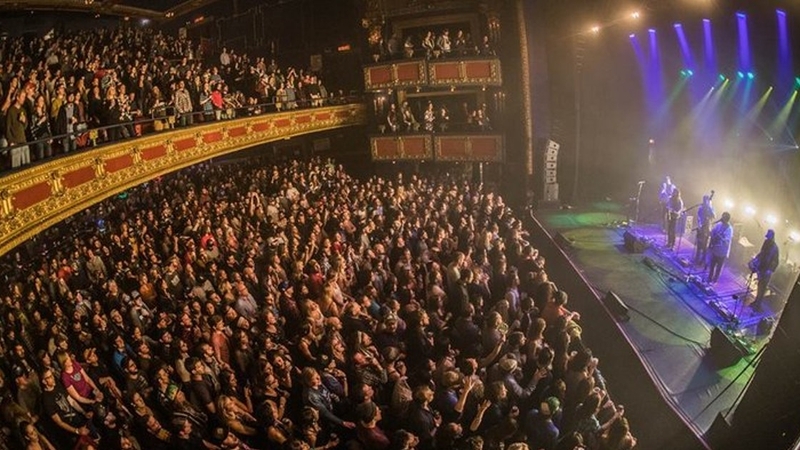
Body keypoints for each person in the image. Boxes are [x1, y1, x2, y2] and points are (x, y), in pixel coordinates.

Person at [751, 229, 780, 311]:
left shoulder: (775, 248)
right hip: (762, 267)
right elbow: (762, 252)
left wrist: (770, 270)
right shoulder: (766, 242)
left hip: (767, 270)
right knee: (759, 285)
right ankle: (756, 301)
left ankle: (758, 305)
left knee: (763, 287)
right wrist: (756, 259)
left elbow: (776, 261)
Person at [707, 212, 733, 284]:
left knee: (718, 268)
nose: (722, 218)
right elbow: (713, 232)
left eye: (723, 217)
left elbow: (727, 241)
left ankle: (715, 280)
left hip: (722, 251)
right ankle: (709, 278)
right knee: (712, 265)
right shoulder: (719, 224)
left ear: (726, 219)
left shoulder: (729, 229)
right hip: (715, 249)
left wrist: (720, 237)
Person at [694, 194, 715, 266]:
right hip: (701, 227)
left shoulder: (711, 208)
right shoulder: (701, 207)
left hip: (707, 229)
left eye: (706, 200)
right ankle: (697, 258)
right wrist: (699, 224)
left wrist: (710, 209)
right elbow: (698, 216)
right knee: (699, 244)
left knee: (705, 246)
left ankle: (702, 260)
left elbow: (714, 216)